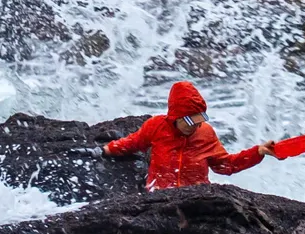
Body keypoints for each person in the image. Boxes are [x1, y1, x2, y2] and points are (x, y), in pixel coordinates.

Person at [97, 81, 277, 191]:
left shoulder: (205, 133)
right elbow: (132, 143)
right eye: (191, 121)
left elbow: (225, 165)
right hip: (158, 198)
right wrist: (104, 150)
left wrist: (258, 152)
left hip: (197, 200)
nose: (197, 125)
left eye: (200, 119)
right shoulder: (156, 126)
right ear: (175, 117)